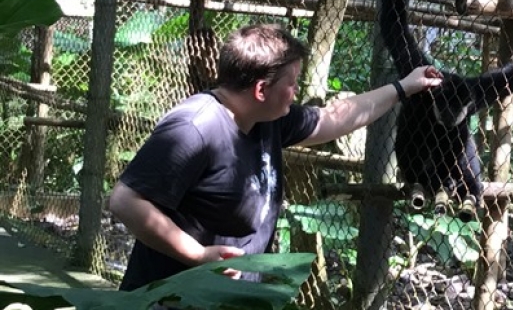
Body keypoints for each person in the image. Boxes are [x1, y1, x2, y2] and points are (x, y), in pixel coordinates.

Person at [108, 24, 443, 290]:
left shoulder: (267, 119)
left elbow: (333, 117)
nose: (297, 91)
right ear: (261, 89)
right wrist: (197, 255)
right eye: (292, 82)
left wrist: (403, 88)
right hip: (170, 296)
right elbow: (125, 201)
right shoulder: (195, 128)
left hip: (228, 296)